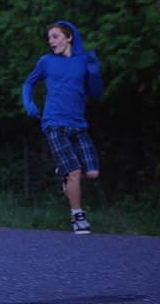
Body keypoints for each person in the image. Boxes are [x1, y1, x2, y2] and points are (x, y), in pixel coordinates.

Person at [22, 20, 104, 234]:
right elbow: (28, 83)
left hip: (78, 125)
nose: (51, 41)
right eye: (49, 38)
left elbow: (95, 94)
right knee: (76, 171)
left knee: (92, 173)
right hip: (54, 122)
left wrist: (94, 73)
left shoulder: (82, 61)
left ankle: (66, 177)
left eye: (55, 36)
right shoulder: (46, 61)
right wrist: (29, 104)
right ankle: (77, 216)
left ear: (69, 37)